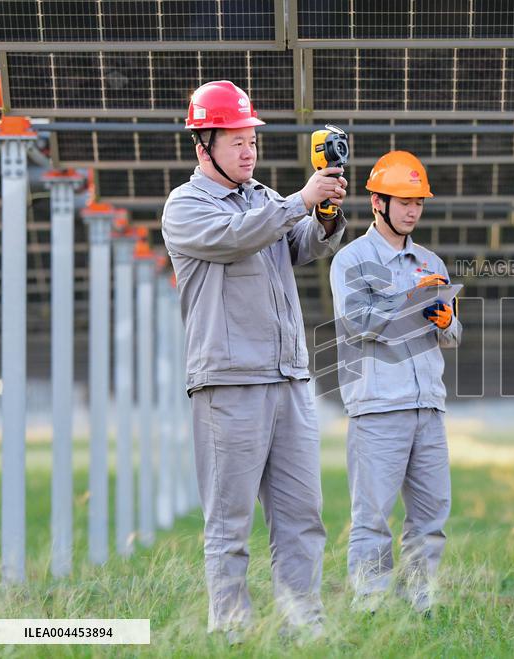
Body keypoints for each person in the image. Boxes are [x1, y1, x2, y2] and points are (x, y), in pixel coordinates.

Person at [161, 80, 347, 640]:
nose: (249, 151)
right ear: (203, 146)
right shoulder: (186, 207)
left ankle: (304, 627)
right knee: (230, 523)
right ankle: (233, 633)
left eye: (252, 141)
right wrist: (299, 202)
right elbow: (237, 239)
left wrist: (329, 217)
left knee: (301, 517)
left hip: (288, 377)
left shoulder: (264, 198)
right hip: (229, 383)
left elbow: (298, 246)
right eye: (237, 141)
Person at [329, 150, 461, 614]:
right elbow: (358, 322)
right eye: (403, 200)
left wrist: (445, 320)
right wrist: (411, 304)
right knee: (372, 521)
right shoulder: (352, 260)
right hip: (378, 409)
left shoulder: (432, 263)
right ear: (377, 202)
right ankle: (370, 609)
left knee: (430, 519)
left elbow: (452, 337)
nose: (412, 210)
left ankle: (420, 605)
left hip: (429, 409)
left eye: (418, 202)